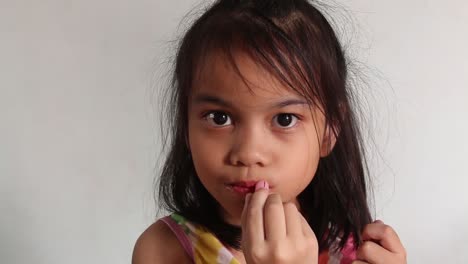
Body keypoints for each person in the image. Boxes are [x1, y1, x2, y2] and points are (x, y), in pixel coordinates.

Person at [132, 0, 407, 263]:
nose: (249, 153)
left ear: (329, 131)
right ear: (185, 127)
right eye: (219, 118)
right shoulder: (165, 249)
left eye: (285, 119)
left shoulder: (355, 247)